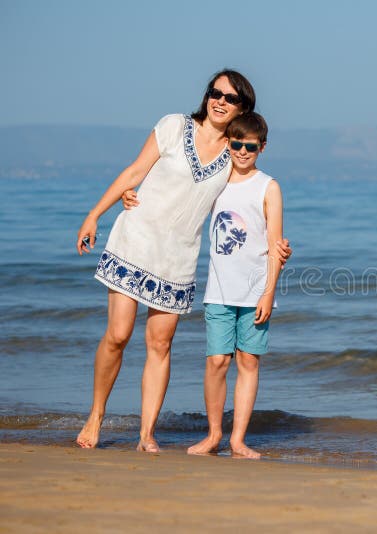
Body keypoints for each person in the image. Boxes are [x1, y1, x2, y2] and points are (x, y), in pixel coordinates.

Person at [75, 70, 291, 452]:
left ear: (243, 108)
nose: (220, 100)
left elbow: (246, 203)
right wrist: (96, 213)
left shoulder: (234, 152)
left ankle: (145, 435)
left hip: (178, 259)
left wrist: (276, 246)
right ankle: (96, 414)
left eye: (231, 97)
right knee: (119, 335)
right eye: (215, 92)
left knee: (160, 345)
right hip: (135, 241)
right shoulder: (174, 127)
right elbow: (135, 172)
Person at [178, 112, 281, 459]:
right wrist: (132, 195)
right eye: (235, 144)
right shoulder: (216, 181)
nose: (241, 151)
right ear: (228, 143)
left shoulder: (268, 186)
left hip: (256, 292)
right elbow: (178, 201)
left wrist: (269, 293)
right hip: (219, 291)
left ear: (261, 147)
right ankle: (213, 435)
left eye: (249, 146)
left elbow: (275, 245)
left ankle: (238, 440)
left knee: (248, 362)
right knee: (217, 362)